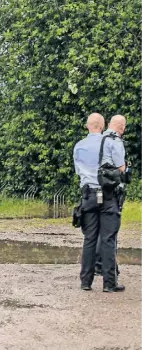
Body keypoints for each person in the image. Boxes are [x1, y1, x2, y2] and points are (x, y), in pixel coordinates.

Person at [74, 113, 127, 293]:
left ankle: (86, 282)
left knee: (89, 239)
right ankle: (109, 284)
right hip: (108, 195)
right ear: (103, 126)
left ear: (87, 126)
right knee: (108, 239)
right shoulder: (110, 142)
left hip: (88, 195)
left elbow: (78, 172)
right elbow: (121, 169)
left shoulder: (79, 146)